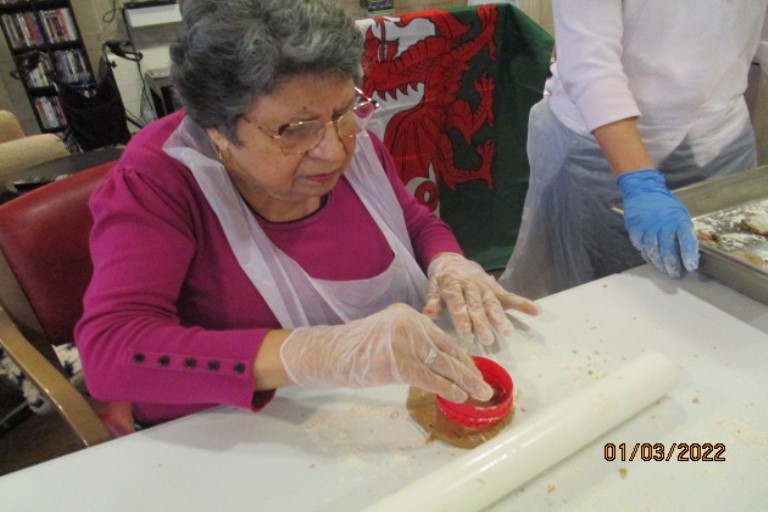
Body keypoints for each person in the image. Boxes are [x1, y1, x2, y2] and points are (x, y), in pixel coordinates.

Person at [74, 0, 539, 428]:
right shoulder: (159, 179)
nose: (334, 150)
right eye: (295, 131)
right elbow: (112, 354)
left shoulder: (351, 139)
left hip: (385, 407)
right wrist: (315, 353)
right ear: (217, 129)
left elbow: (412, 221)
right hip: (246, 433)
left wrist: (447, 261)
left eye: (344, 110)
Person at [499, 0, 768, 299]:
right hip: (599, 148)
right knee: (592, 298)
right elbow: (590, 65)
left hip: (720, 138)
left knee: (723, 300)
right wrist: (639, 181)